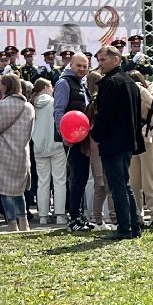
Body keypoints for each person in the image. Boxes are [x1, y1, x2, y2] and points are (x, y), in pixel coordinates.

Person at [89, 43, 144, 239]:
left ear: (116, 59)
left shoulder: (111, 83)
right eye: (99, 60)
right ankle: (134, 226)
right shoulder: (130, 82)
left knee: (118, 186)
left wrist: (95, 134)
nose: (100, 64)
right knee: (124, 184)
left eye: (103, 60)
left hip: (113, 141)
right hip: (127, 141)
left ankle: (125, 228)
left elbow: (106, 114)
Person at [53, 52, 97, 229]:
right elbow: (58, 111)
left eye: (85, 66)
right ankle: (74, 219)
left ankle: (79, 216)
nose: (82, 69)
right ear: (71, 65)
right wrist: (63, 134)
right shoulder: (64, 83)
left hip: (82, 137)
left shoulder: (82, 84)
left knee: (82, 177)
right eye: (79, 65)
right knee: (77, 178)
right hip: (72, 138)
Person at [0, 74, 34, 231]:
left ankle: (12, 223)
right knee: (18, 190)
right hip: (22, 151)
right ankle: (24, 222)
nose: (0, 87)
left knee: (4, 190)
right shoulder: (29, 107)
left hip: (2, 151)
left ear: (6, 86)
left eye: (1, 84)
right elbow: (30, 133)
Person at [30, 77, 67, 225]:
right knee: (59, 181)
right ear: (46, 87)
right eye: (51, 86)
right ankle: (60, 215)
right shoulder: (53, 103)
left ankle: (43, 216)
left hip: (39, 146)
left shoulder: (32, 104)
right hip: (56, 145)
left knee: (42, 182)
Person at [131, 72, 153, 229]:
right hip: (132, 139)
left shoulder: (149, 89)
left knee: (149, 181)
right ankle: (137, 217)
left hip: (149, 138)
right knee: (134, 182)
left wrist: (141, 89)